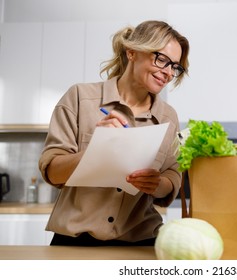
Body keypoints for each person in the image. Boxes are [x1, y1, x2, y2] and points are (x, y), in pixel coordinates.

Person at [38, 20, 189, 246]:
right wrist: (95, 150)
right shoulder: (80, 98)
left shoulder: (168, 117)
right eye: (161, 59)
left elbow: (172, 177)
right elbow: (52, 171)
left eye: (174, 66)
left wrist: (157, 184)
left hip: (141, 243)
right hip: (75, 242)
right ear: (132, 52)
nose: (167, 72)